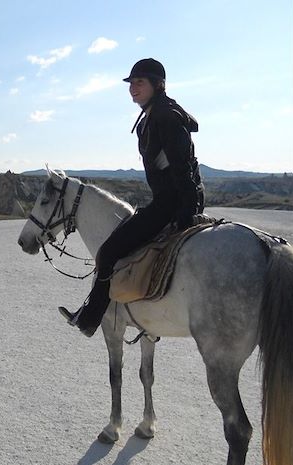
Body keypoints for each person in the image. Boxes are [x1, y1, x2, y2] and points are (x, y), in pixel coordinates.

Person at [59, 58, 204, 337]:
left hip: (172, 205)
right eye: (131, 83)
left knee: (109, 252)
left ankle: (91, 317)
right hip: (168, 201)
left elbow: (182, 169)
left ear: (158, 85)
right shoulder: (152, 116)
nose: (133, 88)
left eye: (140, 83)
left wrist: (186, 213)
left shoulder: (166, 117)